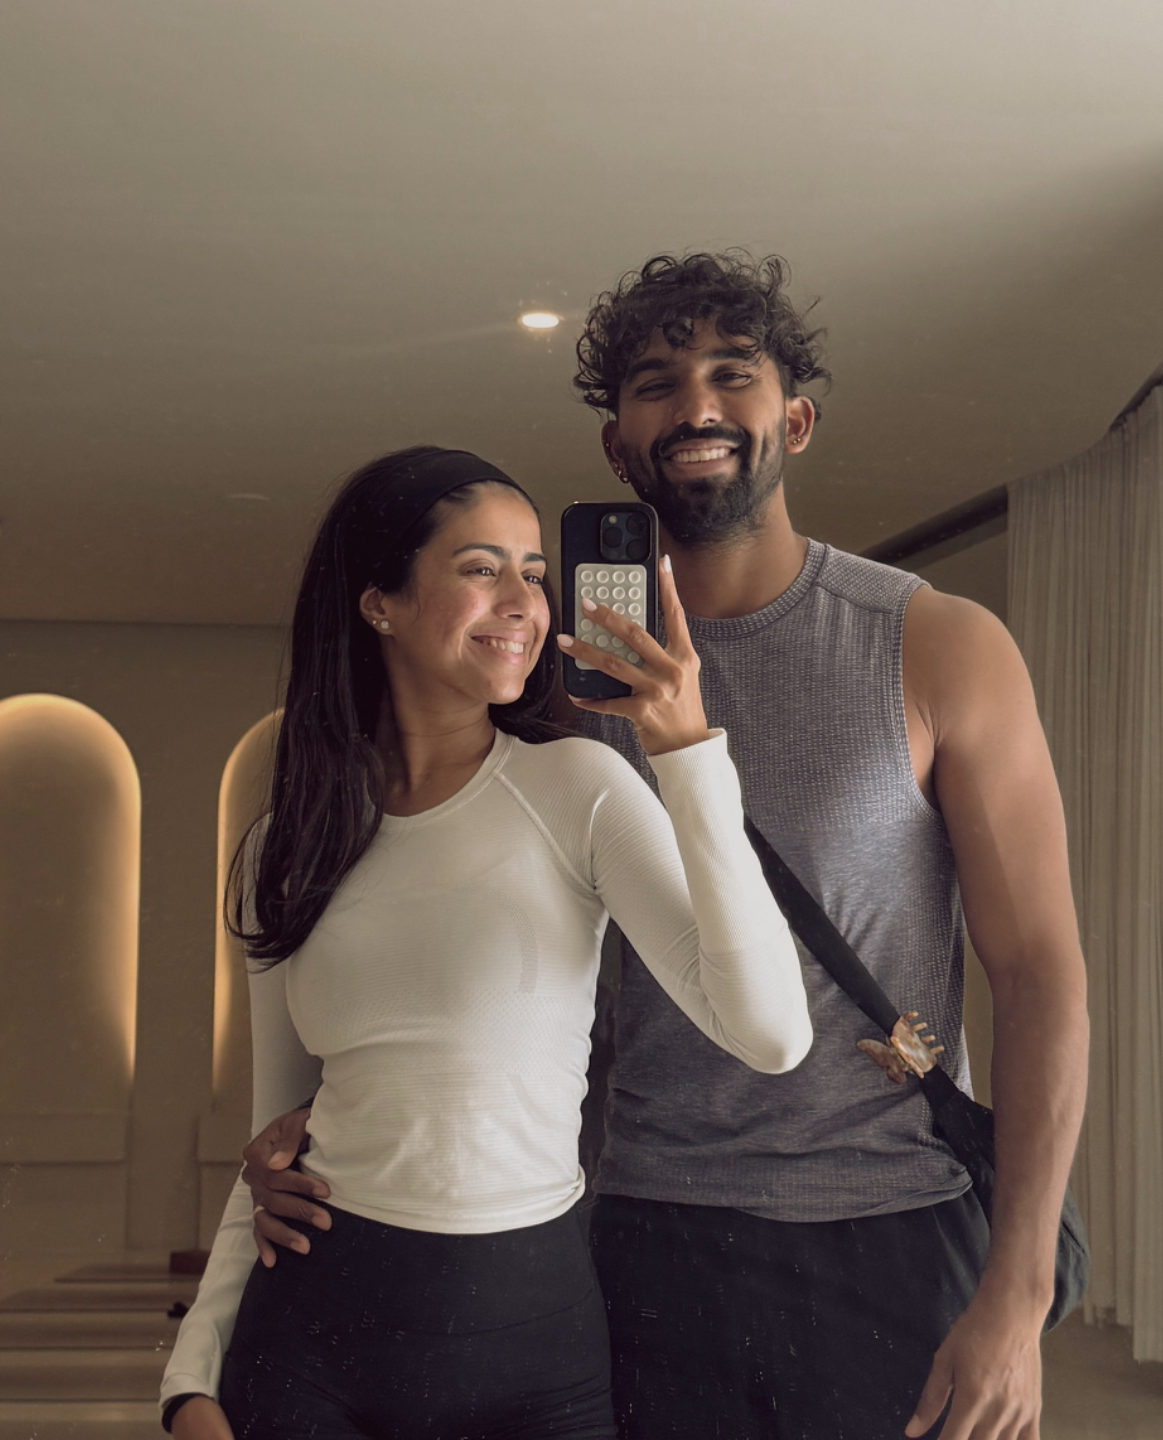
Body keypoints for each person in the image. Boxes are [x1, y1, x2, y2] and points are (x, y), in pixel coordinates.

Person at [243, 253, 1090, 1440]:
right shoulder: (547, 681)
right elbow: (432, 906)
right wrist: (309, 1132)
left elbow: (1040, 972)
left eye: (732, 374)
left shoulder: (935, 645)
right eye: (655, 384)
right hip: (640, 1236)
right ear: (617, 448)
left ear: (794, 419)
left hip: (889, 1222)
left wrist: (1019, 1291)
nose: (695, 405)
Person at [160, 445, 813, 1440]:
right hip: (311, 1342)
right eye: (480, 568)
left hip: (533, 1348)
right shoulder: (287, 844)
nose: (523, 603)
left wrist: (685, 752)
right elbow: (276, 1150)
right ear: (379, 602)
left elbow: (771, 1036)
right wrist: (187, 1383)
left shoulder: (579, 791)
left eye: (534, 573)